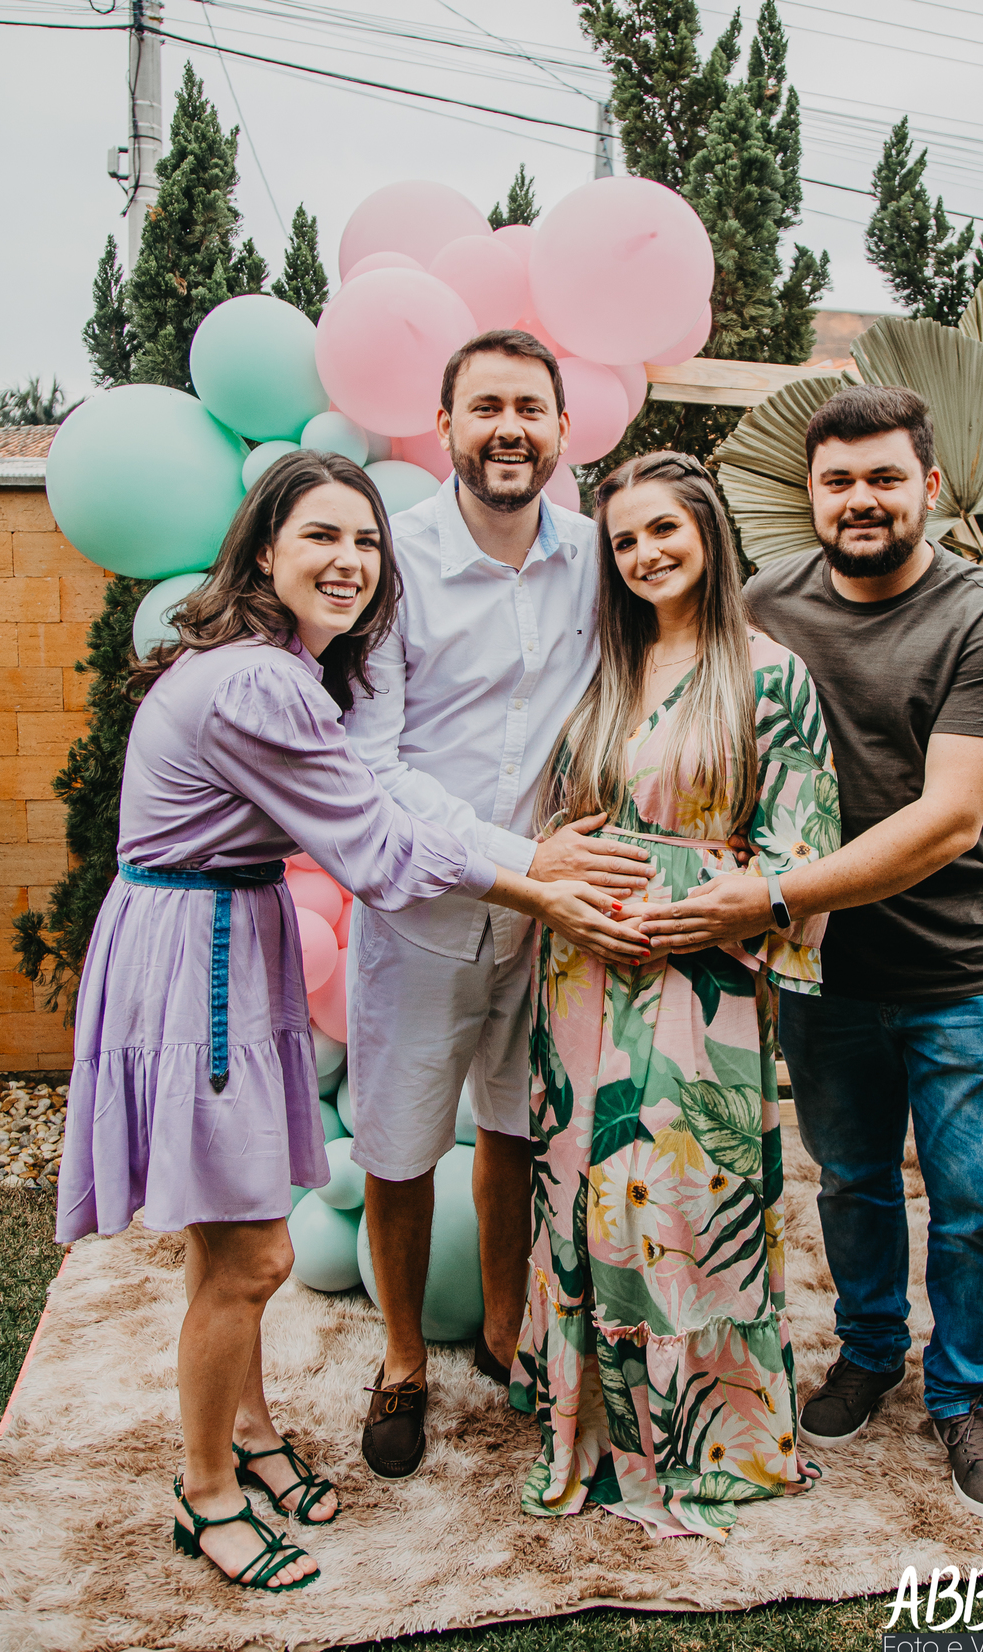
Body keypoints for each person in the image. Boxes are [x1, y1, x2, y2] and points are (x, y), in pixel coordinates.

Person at [56, 450, 641, 1594]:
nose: (351, 559)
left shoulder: (277, 665)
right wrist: (542, 880)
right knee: (255, 1254)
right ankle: (206, 1494)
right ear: (263, 549)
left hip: (223, 930)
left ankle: (250, 1436)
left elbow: (372, 803)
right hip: (202, 955)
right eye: (321, 535)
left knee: (224, 1232)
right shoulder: (263, 684)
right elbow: (373, 846)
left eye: (367, 540)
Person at [639, 386, 983, 1521]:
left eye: (884, 478)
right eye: (838, 481)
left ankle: (964, 1397)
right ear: (810, 494)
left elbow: (948, 820)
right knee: (852, 1180)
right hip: (824, 971)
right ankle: (869, 1351)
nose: (861, 499)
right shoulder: (764, 605)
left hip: (965, 963)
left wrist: (767, 895)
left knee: (975, 1203)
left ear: (929, 487)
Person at [510, 449, 839, 1539]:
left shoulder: (771, 676)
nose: (645, 553)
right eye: (624, 540)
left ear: (708, 533)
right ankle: (589, 1425)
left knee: (680, 1201)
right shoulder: (605, 670)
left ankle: (705, 1434)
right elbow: (558, 821)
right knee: (581, 1186)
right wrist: (562, 886)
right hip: (580, 971)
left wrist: (705, 911)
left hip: (702, 980)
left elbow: (801, 855)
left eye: (664, 530)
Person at [345, 330, 655, 1481]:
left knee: (519, 1128)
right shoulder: (395, 563)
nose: (509, 428)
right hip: (424, 911)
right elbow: (377, 768)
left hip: (551, 921)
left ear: (566, 429)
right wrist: (528, 859)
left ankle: (505, 1331)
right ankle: (400, 1362)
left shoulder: (595, 557)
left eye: (531, 407)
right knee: (399, 1143)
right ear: (445, 425)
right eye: (486, 407)